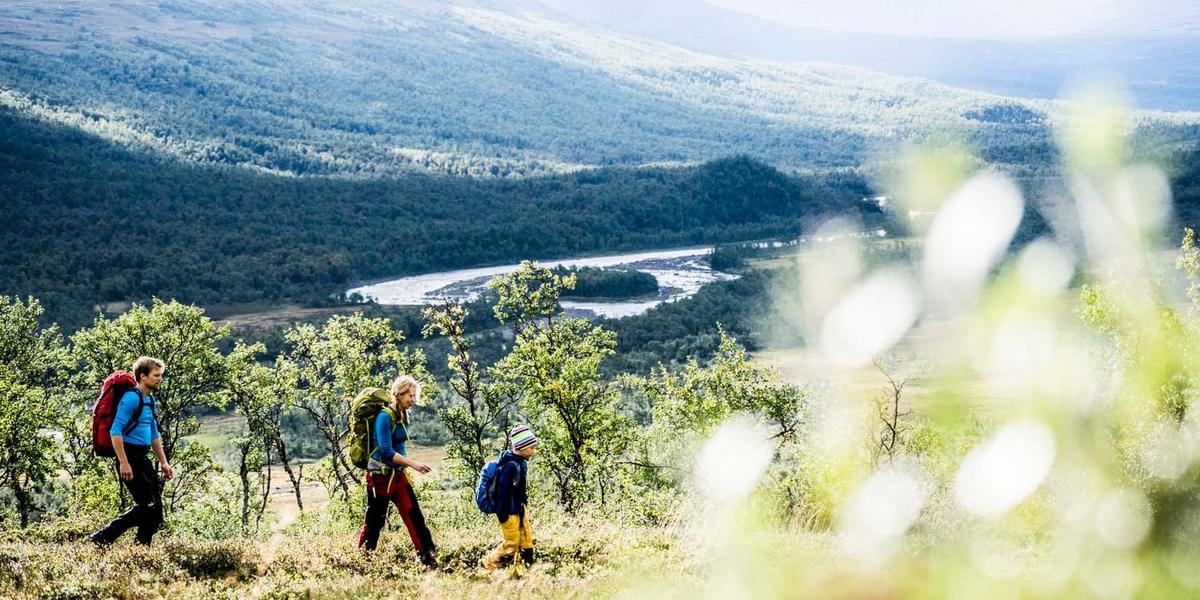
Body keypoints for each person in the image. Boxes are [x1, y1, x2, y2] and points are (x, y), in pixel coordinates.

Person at [357, 375, 438, 569]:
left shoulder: (402, 415)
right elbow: (385, 451)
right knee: (375, 522)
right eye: (410, 395)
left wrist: (406, 466)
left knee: (415, 516)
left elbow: (398, 446)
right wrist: (413, 464)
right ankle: (362, 562)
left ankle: (430, 561)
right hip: (380, 477)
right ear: (399, 394)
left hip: (398, 476)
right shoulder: (384, 416)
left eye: (414, 396)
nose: (413, 400)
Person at [91, 356, 174, 546]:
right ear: (143, 376)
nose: (159, 379)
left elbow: (153, 433)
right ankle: (101, 538)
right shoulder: (131, 398)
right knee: (147, 507)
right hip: (129, 457)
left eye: (160, 375)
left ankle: (141, 552)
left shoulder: (150, 400)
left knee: (155, 513)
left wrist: (164, 462)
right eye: (156, 375)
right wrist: (124, 462)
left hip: (142, 458)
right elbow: (115, 430)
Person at [481, 424, 539, 572]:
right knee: (512, 543)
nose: (534, 451)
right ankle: (488, 564)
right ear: (521, 447)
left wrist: (523, 503)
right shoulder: (510, 466)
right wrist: (502, 514)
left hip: (519, 508)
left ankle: (523, 567)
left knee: (526, 539)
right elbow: (502, 491)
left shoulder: (520, 463)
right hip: (508, 512)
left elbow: (519, 488)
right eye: (531, 448)